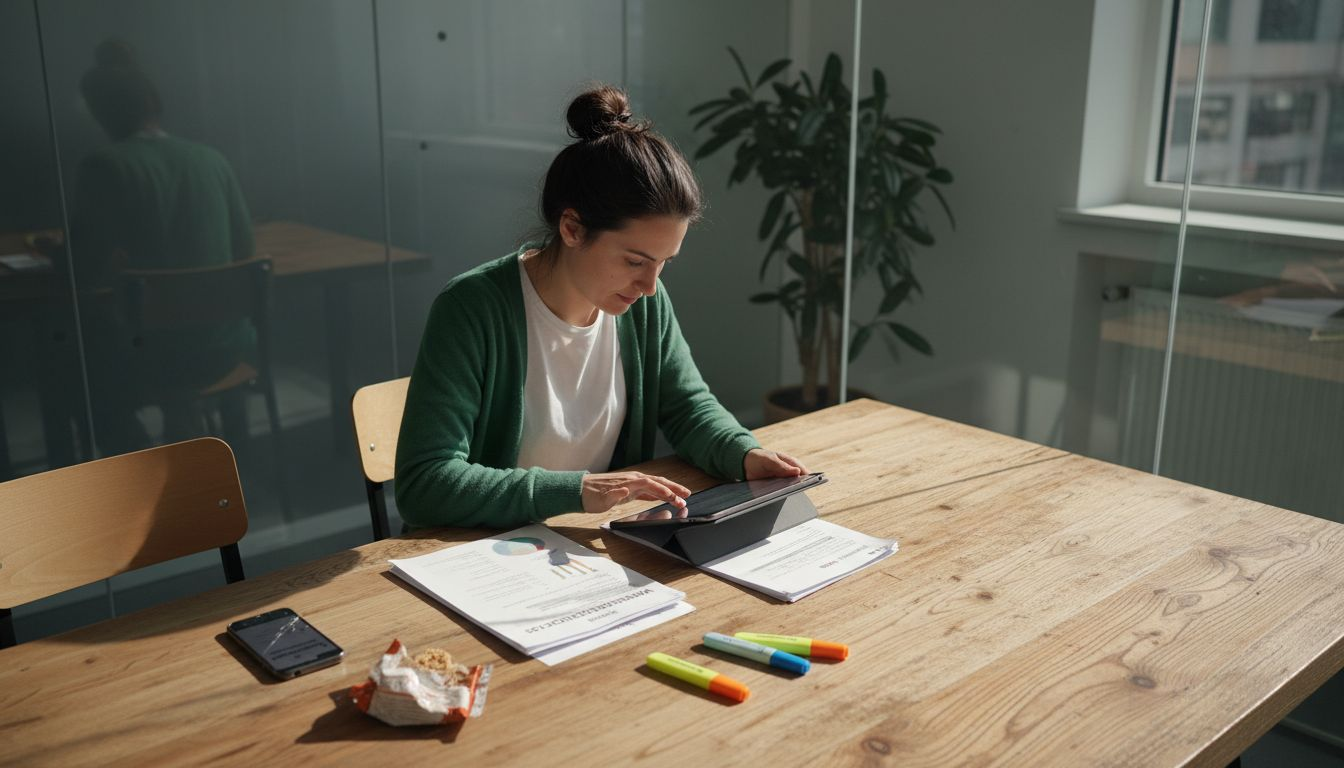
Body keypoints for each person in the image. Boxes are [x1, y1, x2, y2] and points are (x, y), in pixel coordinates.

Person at [395, 85, 807, 528]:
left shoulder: (642, 305)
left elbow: (687, 406)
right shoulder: (472, 310)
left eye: (664, 263)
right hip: (482, 557)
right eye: (634, 261)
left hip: (583, 547)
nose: (650, 286)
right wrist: (576, 490)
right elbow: (425, 483)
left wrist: (744, 453)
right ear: (572, 228)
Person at [73, 39, 256, 453]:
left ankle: (122, 469)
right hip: (225, 348)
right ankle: (224, 449)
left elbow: (82, 267)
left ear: (101, 113)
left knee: (74, 362)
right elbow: (245, 250)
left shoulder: (103, 166)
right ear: (154, 103)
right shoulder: (212, 159)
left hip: (154, 355)